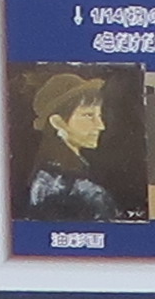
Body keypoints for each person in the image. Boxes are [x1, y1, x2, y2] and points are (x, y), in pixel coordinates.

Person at [18, 70, 131, 222]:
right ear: (58, 122)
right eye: (88, 115)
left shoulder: (56, 174)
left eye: (99, 115)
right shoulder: (67, 184)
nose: (101, 125)